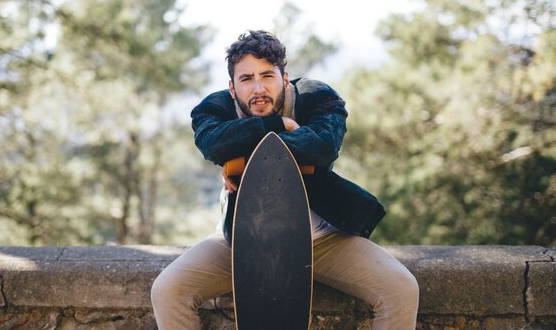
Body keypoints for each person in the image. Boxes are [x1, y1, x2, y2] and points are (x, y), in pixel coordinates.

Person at [151, 30, 419, 329]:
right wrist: (278, 123)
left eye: (267, 76)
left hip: (324, 240)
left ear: (285, 78)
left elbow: (322, 147)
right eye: (246, 78)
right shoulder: (214, 108)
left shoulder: (318, 97)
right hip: (242, 241)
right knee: (168, 290)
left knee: (400, 289)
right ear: (231, 86)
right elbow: (212, 145)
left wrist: (239, 160)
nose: (258, 88)